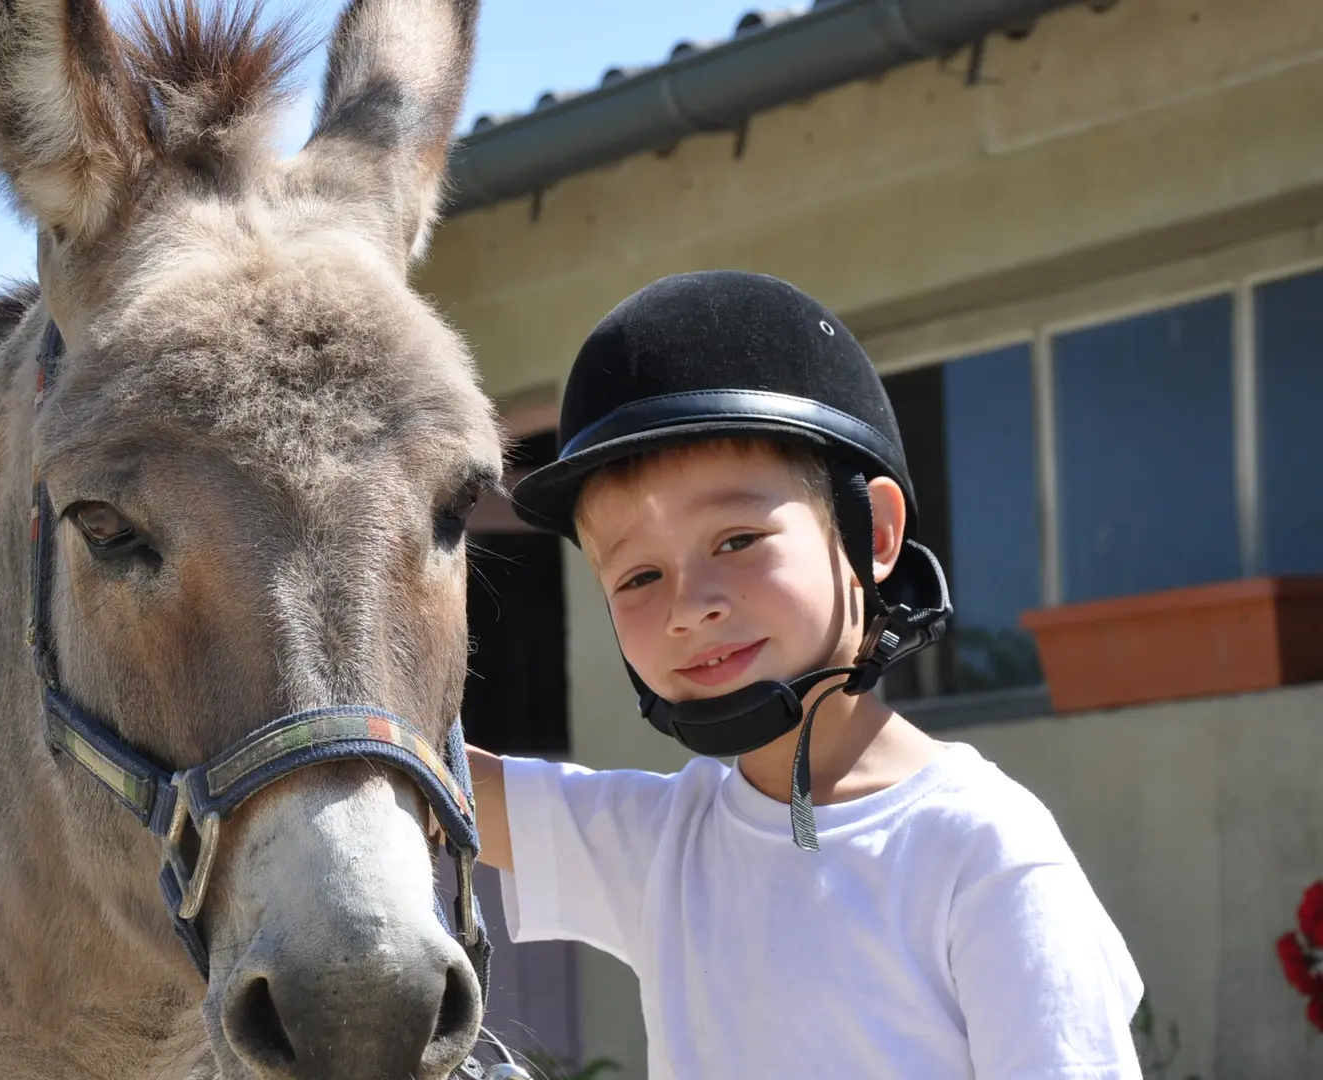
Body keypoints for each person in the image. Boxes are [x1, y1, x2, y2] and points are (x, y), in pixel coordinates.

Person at [471, 270, 1144, 1078]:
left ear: (877, 532)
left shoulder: (982, 851)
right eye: (638, 578)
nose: (690, 607)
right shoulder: (668, 846)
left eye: (736, 541)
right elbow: (427, 777)